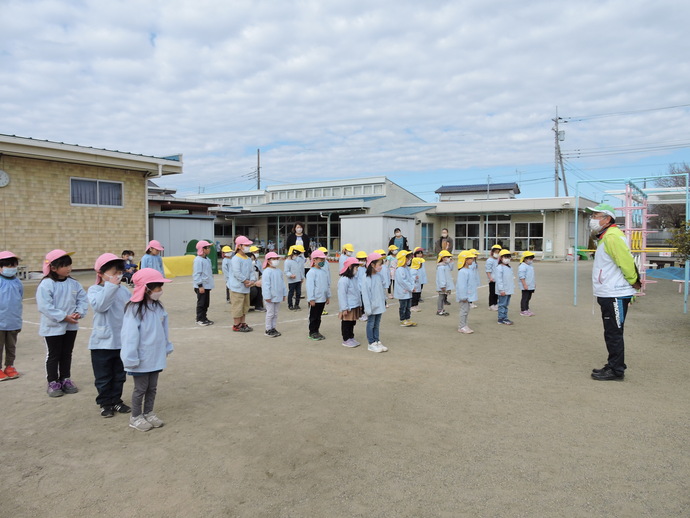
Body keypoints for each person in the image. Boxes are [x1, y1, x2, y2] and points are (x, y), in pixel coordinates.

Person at [586, 203, 641, 381]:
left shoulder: (612, 237)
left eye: (596, 215)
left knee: (614, 332)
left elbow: (625, 261)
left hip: (614, 293)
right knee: (611, 331)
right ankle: (614, 364)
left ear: (607, 219)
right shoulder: (606, 236)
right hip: (608, 292)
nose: (592, 219)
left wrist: (634, 282)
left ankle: (616, 370)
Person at [120, 268, 173, 431]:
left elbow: (164, 329)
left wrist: (166, 346)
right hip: (141, 358)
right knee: (140, 388)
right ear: (146, 288)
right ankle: (135, 416)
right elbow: (129, 336)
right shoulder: (134, 309)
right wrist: (130, 357)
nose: (160, 291)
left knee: (152, 387)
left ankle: (149, 412)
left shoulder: (158, 307)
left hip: (155, 356)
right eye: (157, 287)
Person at [37, 250, 88, 397]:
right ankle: (53, 381)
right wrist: (63, 317)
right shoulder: (46, 284)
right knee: (54, 355)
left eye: (69, 265)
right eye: (64, 266)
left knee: (67, 353)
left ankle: (65, 378)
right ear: (53, 268)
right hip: (53, 327)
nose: (68, 268)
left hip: (71, 325)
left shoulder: (74, 283)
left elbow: (82, 299)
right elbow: (45, 306)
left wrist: (79, 312)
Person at [88, 253, 132, 417]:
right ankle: (105, 403)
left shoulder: (124, 290)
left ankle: (116, 400)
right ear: (101, 274)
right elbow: (101, 306)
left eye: (119, 272)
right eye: (113, 273)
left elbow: (130, 310)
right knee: (103, 376)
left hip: (121, 341)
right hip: (102, 343)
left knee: (119, 375)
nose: (117, 276)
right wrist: (111, 286)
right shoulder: (95, 290)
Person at [0, 251, 23, 381]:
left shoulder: (17, 282)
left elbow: (20, 297)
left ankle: (9, 366)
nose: (11, 268)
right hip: (0, 321)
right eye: (8, 265)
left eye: (13, 265)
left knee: (11, 346)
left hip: (13, 320)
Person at [361, 252, 388, 353]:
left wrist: (384, 301)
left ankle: (377, 340)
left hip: (379, 305)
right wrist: (368, 308)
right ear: (372, 265)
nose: (381, 266)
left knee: (377, 324)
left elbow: (381, 290)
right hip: (372, 307)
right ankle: (371, 343)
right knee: (371, 323)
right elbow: (366, 295)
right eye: (379, 264)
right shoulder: (366, 278)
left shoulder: (378, 276)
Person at [228, 236, 255, 332]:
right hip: (237, 288)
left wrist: (252, 280)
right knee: (237, 307)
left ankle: (243, 323)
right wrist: (245, 281)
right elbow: (237, 273)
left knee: (244, 306)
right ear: (239, 246)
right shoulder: (235, 259)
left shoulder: (248, 258)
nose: (248, 247)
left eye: (248, 245)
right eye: (246, 245)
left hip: (246, 287)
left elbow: (252, 271)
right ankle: (236, 324)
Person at [338, 257, 362, 348]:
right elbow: (342, 295)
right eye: (356, 268)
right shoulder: (344, 280)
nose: (357, 270)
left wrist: (359, 304)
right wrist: (344, 308)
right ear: (350, 267)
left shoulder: (354, 279)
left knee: (352, 322)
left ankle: (351, 337)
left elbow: (357, 292)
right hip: (348, 306)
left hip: (354, 305)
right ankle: (346, 339)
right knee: (346, 323)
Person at [306, 250, 330, 340]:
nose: (322, 262)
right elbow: (310, 287)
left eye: (323, 260)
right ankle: (312, 332)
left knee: (318, 317)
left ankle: (317, 330)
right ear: (314, 260)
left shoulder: (323, 272)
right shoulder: (311, 272)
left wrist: (328, 296)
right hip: (315, 299)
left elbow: (327, 285)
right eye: (320, 260)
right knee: (313, 317)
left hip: (322, 299)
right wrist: (311, 298)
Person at [261, 252, 287, 337]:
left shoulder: (279, 271)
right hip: (270, 297)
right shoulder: (267, 272)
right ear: (268, 261)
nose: (276, 261)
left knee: (275, 313)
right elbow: (266, 285)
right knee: (270, 313)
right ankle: (268, 329)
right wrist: (267, 296)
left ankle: (273, 327)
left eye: (276, 259)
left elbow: (282, 283)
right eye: (273, 259)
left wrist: (284, 294)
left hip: (278, 296)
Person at [193, 240, 215, 326]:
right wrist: (200, 285)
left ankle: (204, 317)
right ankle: (199, 319)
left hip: (207, 285)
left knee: (206, 303)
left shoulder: (207, 259)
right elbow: (197, 274)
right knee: (201, 303)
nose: (209, 249)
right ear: (202, 249)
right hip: (201, 286)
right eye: (207, 248)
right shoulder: (198, 260)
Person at [456, 250, 478, 334]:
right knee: (463, 311)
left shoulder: (469, 270)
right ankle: (461, 326)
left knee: (466, 311)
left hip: (468, 295)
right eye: (470, 258)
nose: (472, 260)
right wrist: (463, 296)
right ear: (465, 260)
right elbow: (462, 285)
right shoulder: (462, 272)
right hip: (464, 296)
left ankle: (465, 325)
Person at [395, 250, 416, 327]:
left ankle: (408, 318)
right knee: (403, 306)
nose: (409, 260)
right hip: (403, 291)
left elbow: (410, 278)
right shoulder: (400, 269)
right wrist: (411, 287)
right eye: (408, 258)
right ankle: (402, 319)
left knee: (408, 306)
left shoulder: (406, 268)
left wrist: (412, 286)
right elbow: (402, 281)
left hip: (408, 291)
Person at [495, 249, 515, 325]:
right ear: (501, 258)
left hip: (508, 290)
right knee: (502, 304)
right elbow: (499, 280)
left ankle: (505, 317)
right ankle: (501, 318)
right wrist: (501, 290)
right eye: (505, 257)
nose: (507, 259)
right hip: (502, 291)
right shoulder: (499, 267)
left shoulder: (509, 268)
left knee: (506, 305)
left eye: (508, 257)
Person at [284, 245, 305, 311]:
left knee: (298, 293)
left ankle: (297, 304)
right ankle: (290, 305)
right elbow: (286, 271)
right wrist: (290, 275)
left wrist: (302, 277)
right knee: (291, 292)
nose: (297, 256)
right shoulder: (287, 262)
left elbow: (300, 270)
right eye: (297, 254)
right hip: (292, 280)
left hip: (298, 280)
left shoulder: (297, 260)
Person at [518, 251, 536, 317]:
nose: (531, 260)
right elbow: (521, 277)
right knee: (525, 298)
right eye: (530, 258)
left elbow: (532, 276)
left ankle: (527, 309)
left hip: (530, 285)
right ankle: (523, 310)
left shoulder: (530, 266)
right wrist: (524, 284)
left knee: (528, 297)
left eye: (532, 259)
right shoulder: (522, 266)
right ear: (525, 259)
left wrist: (534, 283)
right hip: (525, 285)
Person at [436, 250, 453, 316]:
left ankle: (441, 309)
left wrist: (451, 263)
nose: (449, 258)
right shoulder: (441, 267)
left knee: (443, 297)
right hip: (442, 286)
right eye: (447, 257)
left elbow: (451, 268)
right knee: (441, 297)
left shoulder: (446, 265)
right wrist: (443, 285)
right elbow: (441, 277)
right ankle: (439, 310)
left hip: (446, 285)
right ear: (442, 258)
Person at [485, 244, 502, 311]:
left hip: (498, 279)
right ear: (492, 252)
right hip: (492, 279)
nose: (497, 254)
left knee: (497, 292)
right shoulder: (489, 260)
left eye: (498, 252)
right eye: (496, 252)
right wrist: (490, 278)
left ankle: (495, 303)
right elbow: (488, 270)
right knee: (492, 292)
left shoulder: (498, 260)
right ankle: (491, 305)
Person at [248, 247, 265, 312]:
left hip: (255, 282)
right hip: (248, 284)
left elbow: (260, 272)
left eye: (257, 252)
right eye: (254, 252)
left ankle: (258, 306)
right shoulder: (246, 262)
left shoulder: (257, 264)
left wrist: (260, 280)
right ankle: (246, 305)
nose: (256, 254)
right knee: (253, 290)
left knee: (258, 288)